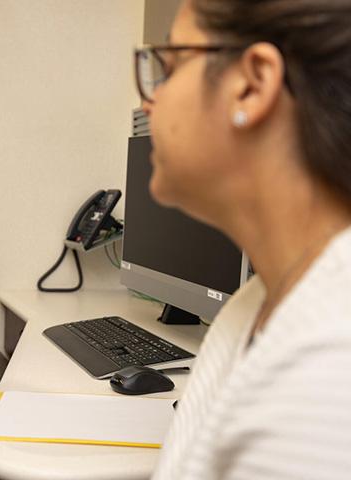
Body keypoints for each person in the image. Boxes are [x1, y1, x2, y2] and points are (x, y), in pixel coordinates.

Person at [133, 1, 351, 478]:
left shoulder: (330, 370)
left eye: (168, 69)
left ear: (251, 85)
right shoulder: (253, 304)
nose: (150, 103)